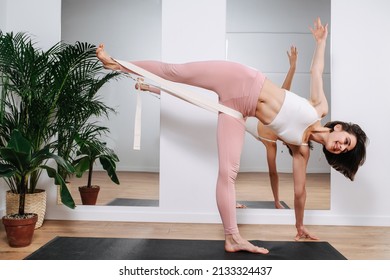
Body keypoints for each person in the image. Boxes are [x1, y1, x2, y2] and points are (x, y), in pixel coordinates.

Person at [96, 17, 368, 254]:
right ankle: (116, 64)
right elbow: (317, 71)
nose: (341, 146)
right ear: (340, 129)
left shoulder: (301, 149)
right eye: (346, 142)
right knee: (175, 72)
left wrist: (299, 226)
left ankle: (232, 237)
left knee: (228, 172)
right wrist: (321, 42)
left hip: (237, 111)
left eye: (344, 151)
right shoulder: (319, 108)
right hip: (242, 78)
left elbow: (300, 193)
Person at [242, 45, 299, 209]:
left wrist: (276, 200)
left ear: (284, 143)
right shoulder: (280, 120)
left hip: (240, 115)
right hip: (247, 102)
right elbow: (283, 93)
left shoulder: (270, 143)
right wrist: (293, 67)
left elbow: (273, 174)